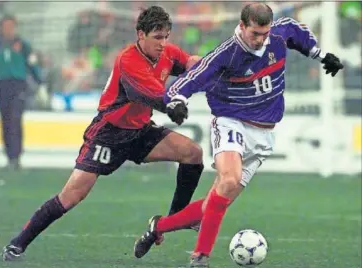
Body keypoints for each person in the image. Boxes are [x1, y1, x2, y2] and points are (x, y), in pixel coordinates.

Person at [134, 3, 344, 267]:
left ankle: (158, 226)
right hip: (232, 123)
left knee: (213, 206)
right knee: (228, 179)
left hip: (264, 136)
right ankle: (200, 258)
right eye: (255, 33)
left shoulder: (277, 34)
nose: (261, 40)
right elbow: (190, 79)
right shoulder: (226, 55)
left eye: (265, 33)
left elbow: (296, 33)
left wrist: (321, 54)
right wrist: (176, 100)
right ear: (242, 26)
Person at [1, 6, 204, 261]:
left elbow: (190, 64)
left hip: (139, 131)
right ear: (140, 35)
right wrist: (169, 104)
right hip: (108, 133)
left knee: (193, 153)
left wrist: (208, 65)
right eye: (157, 37)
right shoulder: (128, 59)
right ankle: (18, 243)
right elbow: (146, 94)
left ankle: (175, 219)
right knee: (71, 196)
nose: (163, 43)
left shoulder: (167, 53)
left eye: (166, 37)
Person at [0, 15, 47, 169]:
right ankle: (9, 155)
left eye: (11, 26)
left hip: (18, 85)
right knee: (5, 120)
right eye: (5, 26)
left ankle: (16, 155)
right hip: (2, 85)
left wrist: (40, 83)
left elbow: (32, 65)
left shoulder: (23, 45)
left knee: (16, 119)